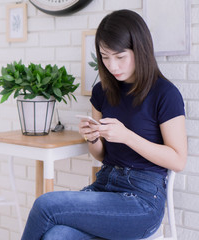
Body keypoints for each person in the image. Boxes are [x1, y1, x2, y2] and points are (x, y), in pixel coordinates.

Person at [21, 9, 187, 240]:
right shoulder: (102, 91)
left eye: (119, 57)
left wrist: (127, 136)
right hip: (105, 186)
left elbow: (178, 160)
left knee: (45, 205)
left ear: (140, 50)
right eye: (105, 57)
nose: (112, 65)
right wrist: (93, 137)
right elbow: (100, 155)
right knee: (56, 236)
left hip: (142, 201)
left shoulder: (165, 94)